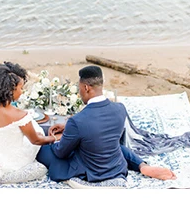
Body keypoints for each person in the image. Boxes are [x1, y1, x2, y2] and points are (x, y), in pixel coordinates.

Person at [36, 65, 177, 183]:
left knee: (42, 150)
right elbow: (102, 130)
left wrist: (57, 138)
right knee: (111, 144)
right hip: (116, 165)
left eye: (79, 89)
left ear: (86, 88)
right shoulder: (120, 109)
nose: (79, 93)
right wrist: (70, 129)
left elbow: (61, 152)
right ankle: (142, 166)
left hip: (92, 170)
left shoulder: (77, 121)